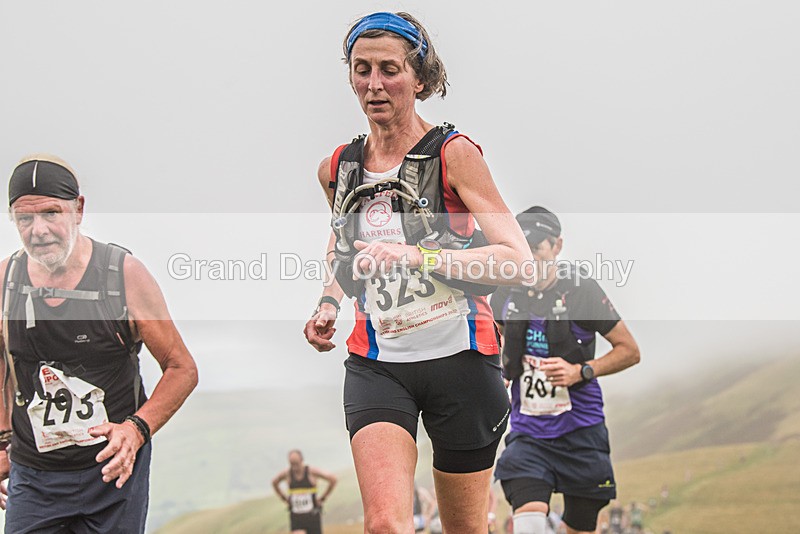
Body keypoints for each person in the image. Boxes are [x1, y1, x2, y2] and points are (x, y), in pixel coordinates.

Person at [303, 11, 531, 533]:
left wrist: (421, 256)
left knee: (465, 529)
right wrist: (329, 302)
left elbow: (517, 260)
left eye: (390, 69)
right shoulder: (337, 167)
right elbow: (343, 245)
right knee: (384, 524)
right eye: (362, 70)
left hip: (462, 362)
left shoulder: (454, 154)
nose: (374, 84)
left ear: (420, 78)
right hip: (377, 364)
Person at [0, 154, 198, 532]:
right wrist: (1, 441)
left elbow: (181, 367)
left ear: (78, 209)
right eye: (25, 219)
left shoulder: (122, 276)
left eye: (51, 213)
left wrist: (136, 429)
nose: (38, 230)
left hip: (112, 472)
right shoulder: (6, 281)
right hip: (35, 476)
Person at [492, 206, 640, 534]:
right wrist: (504, 368)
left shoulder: (582, 291)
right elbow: (499, 336)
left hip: (581, 430)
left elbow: (630, 351)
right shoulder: (505, 292)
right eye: (522, 249)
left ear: (557, 246)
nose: (528, 260)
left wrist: (581, 371)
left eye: (536, 249)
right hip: (529, 434)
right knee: (529, 522)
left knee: (579, 527)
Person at [272, 449, 337, 534]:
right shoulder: (287, 473)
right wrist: (284, 498)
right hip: (296, 518)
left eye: (296, 464)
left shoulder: (311, 471)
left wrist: (322, 498)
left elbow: (333, 479)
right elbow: (274, 482)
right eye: (292, 464)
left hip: (312, 516)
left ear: (302, 460)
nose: (294, 467)